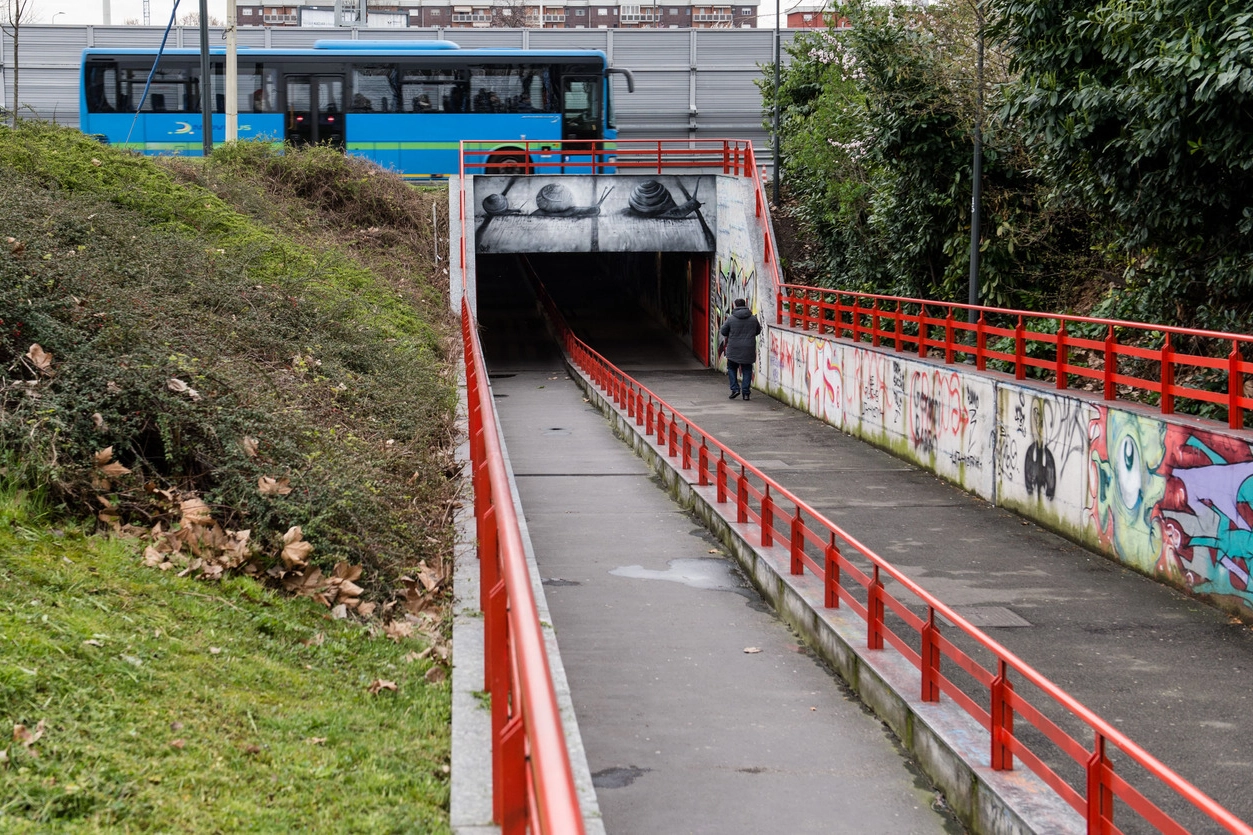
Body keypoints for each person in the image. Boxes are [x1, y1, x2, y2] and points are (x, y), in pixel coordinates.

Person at [719, 298, 762, 400]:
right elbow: (758, 331)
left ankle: (735, 389)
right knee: (747, 369)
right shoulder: (753, 319)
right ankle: (746, 393)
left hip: (734, 348)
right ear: (745, 305)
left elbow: (723, 331)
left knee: (732, 368)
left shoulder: (731, 319)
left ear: (735, 306)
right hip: (748, 348)